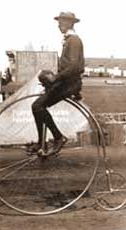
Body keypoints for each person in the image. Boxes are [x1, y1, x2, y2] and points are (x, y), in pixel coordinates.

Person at [30, 11, 85, 155]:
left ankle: (58, 138)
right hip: (66, 83)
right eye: (59, 22)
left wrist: (56, 78)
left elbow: (74, 67)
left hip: (69, 84)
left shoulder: (74, 40)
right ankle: (42, 144)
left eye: (63, 22)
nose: (59, 25)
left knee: (37, 106)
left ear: (71, 23)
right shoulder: (69, 40)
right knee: (38, 106)